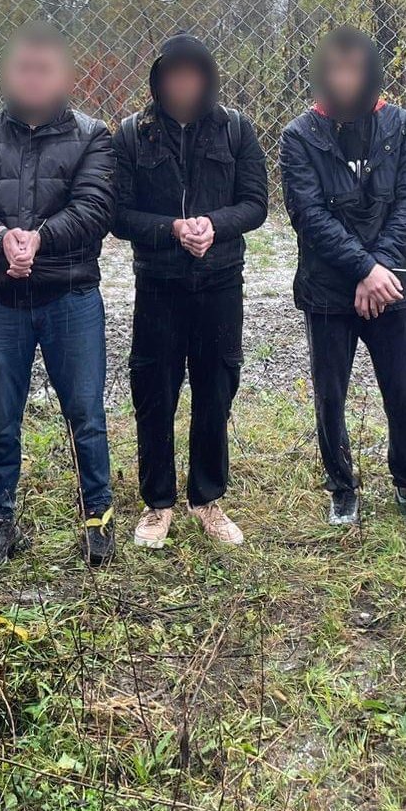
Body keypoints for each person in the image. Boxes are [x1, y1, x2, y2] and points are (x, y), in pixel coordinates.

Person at [0, 22, 118, 567]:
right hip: (0, 300)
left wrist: (39, 239)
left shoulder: (93, 136)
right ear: (7, 73)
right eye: (23, 67)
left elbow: (96, 207)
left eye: (45, 68)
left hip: (71, 297)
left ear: (64, 75)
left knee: (85, 411)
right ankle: (0, 519)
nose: (34, 78)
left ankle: (98, 517)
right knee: (1, 417)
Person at [279, 27, 406, 534]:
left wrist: (381, 268)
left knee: (402, 389)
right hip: (329, 285)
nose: (346, 79)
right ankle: (342, 487)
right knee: (330, 393)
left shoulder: (401, 126)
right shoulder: (299, 136)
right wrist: (364, 269)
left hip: (392, 282)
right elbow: (307, 215)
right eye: (336, 69)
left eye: (355, 69)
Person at [112, 34, 267, 550]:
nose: (183, 84)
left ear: (207, 78)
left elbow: (256, 203)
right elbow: (118, 214)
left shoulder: (236, 129)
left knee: (216, 385)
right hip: (158, 284)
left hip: (221, 281)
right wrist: (171, 229)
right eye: (173, 74)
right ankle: (158, 502)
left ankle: (207, 498)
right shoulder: (134, 136)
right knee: (154, 392)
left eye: (193, 74)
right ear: (160, 79)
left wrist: (213, 225)